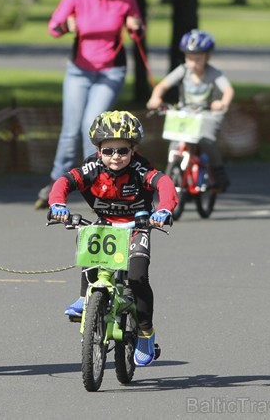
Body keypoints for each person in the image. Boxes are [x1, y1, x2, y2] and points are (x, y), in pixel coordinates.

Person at [48, 111, 178, 367]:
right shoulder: (92, 168)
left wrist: (164, 210)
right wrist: (57, 205)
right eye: (108, 151)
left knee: (138, 277)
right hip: (105, 225)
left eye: (122, 150)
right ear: (98, 150)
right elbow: (63, 182)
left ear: (133, 149)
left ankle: (145, 334)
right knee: (89, 238)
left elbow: (164, 184)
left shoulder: (141, 169)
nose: (115, 157)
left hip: (137, 227)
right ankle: (87, 298)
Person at [35, 0, 143, 209]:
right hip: (79, 71)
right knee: (70, 130)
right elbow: (53, 27)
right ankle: (55, 181)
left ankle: (97, 181)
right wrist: (66, 24)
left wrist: (135, 25)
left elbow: (139, 32)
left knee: (89, 126)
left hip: (110, 71)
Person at [146, 29, 234, 191]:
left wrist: (222, 103)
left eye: (198, 59)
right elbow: (163, 85)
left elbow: (228, 90)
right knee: (175, 143)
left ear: (207, 56)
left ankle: (218, 172)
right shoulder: (183, 70)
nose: (193, 63)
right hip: (186, 113)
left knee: (207, 141)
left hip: (207, 113)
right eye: (189, 58)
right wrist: (155, 98)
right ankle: (176, 172)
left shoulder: (214, 74)